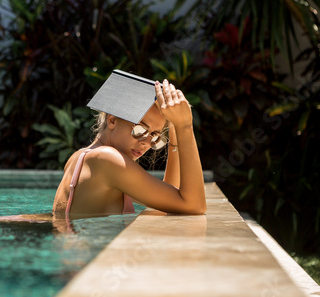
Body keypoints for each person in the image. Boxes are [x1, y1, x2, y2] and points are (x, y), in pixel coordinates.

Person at [52, 78, 206, 218]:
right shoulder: (107, 159)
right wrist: (185, 126)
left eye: (154, 135)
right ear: (112, 120)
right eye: (140, 130)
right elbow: (194, 205)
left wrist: (174, 128)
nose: (146, 142)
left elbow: (170, 203)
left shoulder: (80, 157)